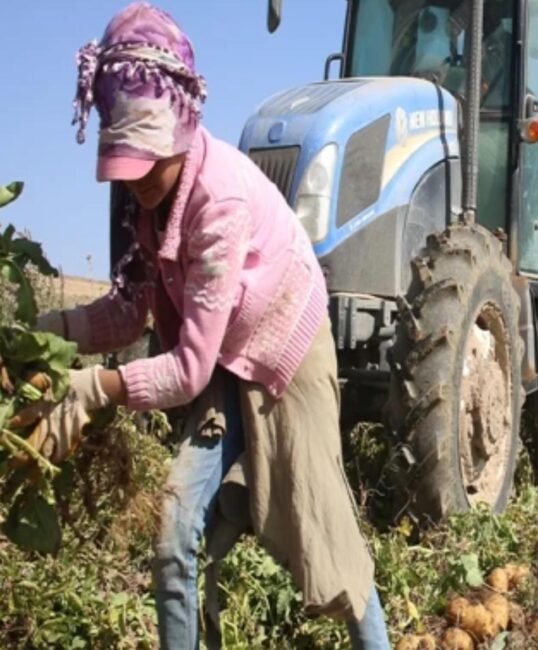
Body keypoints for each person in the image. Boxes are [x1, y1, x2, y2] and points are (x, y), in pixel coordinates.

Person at [28, 4, 390, 647]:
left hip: (284, 347)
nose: (133, 180)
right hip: (220, 352)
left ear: (181, 132)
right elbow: (127, 310)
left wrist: (99, 389)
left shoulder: (216, 198)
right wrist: (44, 333)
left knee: (324, 534)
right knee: (174, 537)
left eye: (146, 162)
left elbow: (188, 369)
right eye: (124, 161)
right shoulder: (138, 196)